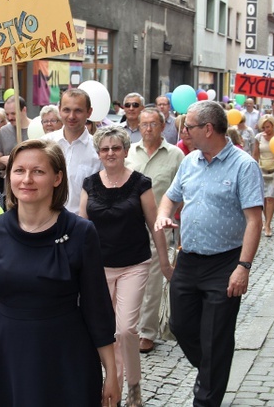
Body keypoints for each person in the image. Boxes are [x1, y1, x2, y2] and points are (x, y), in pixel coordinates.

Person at [0, 140, 120, 406]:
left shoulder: (81, 232)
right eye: (19, 170)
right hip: (8, 354)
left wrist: (111, 373)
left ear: (57, 178)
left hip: (66, 355)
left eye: (38, 171)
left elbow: (97, 308)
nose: (27, 179)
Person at [154, 100, 264, 407]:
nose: (183, 131)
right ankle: (213, 369)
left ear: (208, 128)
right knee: (180, 326)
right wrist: (165, 214)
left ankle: (206, 399)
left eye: (187, 126)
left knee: (216, 335)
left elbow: (255, 220)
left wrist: (243, 266)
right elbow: (169, 197)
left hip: (225, 263)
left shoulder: (244, 165)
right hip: (188, 260)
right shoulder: (190, 162)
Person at [80, 126, 173, 406]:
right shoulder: (90, 184)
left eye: (116, 148)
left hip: (134, 264)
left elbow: (154, 224)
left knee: (125, 330)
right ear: (98, 153)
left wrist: (166, 263)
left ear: (124, 151)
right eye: (105, 149)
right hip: (99, 268)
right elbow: (82, 226)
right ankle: (114, 387)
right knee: (103, 332)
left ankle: (130, 386)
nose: (110, 153)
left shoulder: (140, 183)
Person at [125, 108, 184, 355]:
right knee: (127, 278)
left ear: (162, 126)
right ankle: (127, 328)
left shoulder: (175, 155)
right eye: (144, 124)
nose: (148, 129)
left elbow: (182, 190)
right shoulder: (128, 152)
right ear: (138, 126)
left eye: (153, 124)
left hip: (158, 225)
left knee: (152, 281)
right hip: (128, 224)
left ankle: (147, 332)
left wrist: (170, 213)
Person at [41, 88, 102, 214]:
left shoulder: (99, 150)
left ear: (89, 112)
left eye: (78, 111)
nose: (71, 116)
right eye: (66, 110)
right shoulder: (44, 144)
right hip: (46, 222)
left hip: (81, 224)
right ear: (59, 110)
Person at [253, 114, 274, 237]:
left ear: (273, 125)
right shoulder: (259, 137)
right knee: (263, 198)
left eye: (268, 126)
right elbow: (255, 153)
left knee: (271, 197)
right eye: (264, 127)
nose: (267, 129)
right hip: (261, 169)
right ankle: (265, 220)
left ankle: (268, 224)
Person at [0, 96, 31, 170]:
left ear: (24, 110)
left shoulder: (37, 129)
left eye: (13, 113)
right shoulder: (3, 131)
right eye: (7, 114)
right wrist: (1, 160)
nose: (10, 117)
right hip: (10, 180)